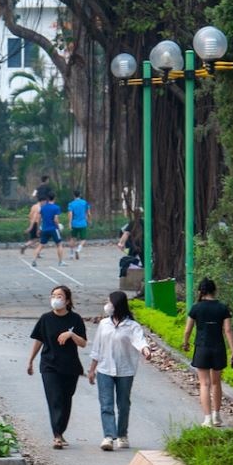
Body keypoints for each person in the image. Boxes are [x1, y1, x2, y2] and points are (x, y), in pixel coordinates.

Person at [87, 291, 153, 451]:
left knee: (123, 404)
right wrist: (92, 369)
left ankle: (122, 434)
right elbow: (97, 347)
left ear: (117, 304)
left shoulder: (132, 326)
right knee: (106, 404)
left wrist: (145, 350)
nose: (107, 305)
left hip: (125, 370)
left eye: (109, 302)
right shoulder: (104, 324)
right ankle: (109, 436)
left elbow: (140, 341)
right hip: (104, 369)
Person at [27, 285, 87, 449]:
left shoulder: (75, 319)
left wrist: (71, 334)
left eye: (59, 296)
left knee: (66, 400)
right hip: (49, 365)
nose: (55, 299)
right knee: (55, 399)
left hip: (70, 367)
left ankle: (60, 430)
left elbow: (83, 343)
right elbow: (38, 340)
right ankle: (57, 435)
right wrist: (30, 360)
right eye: (53, 295)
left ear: (67, 300)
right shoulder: (45, 319)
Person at [181, 278, 233, 427]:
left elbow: (188, 330)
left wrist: (185, 343)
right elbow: (227, 330)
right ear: (215, 291)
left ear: (200, 291)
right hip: (218, 348)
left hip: (202, 348)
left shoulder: (196, 308)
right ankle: (217, 416)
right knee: (216, 383)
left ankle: (207, 418)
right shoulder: (222, 308)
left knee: (204, 384)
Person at [30, 192, 66, 267]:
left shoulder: (43, 207)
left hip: (45, 229)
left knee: (40, 245)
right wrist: (58, 227)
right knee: (59, 244)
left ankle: (33, 260)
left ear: (47, 199)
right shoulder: (56, 207)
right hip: (53, 229)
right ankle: (60, 262)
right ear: (54, 198)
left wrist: (38, 229)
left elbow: (39, 219)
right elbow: (56, 219)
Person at [67, 189, 90, 260]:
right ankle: (78, 250)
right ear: (80, 195)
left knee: (73, 238)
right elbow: (88, 213)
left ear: (73, 195)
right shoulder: (85, 203)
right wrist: (89, 220)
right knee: (83, 239)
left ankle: (71, 254)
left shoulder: (71, 204)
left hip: (74, 223)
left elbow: (70, 214)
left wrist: (70, 223)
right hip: (83, 223)